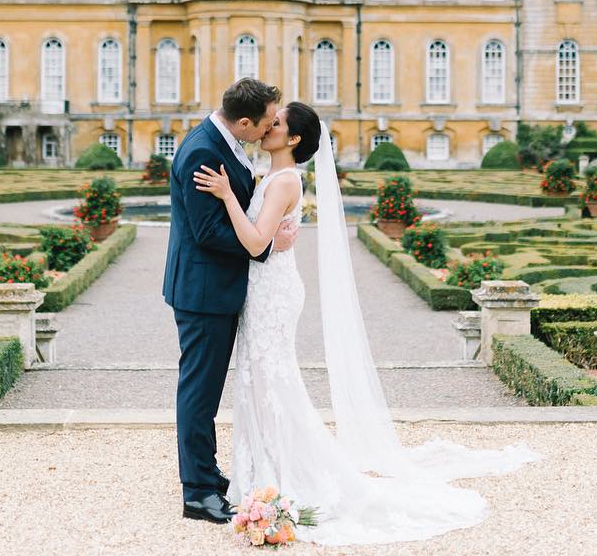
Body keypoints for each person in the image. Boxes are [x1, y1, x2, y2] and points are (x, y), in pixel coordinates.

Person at [194, 102, 539, 546]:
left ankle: (276, 480)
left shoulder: (282, 181)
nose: (266, 127)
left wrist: (225, 196)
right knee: (262, 383)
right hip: (267, 289)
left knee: (269, 383)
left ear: (294, 139)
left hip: (271, 296)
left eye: (275, 124)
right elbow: (264, 237)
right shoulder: (276, 177)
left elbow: (257, 240)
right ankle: (265, 474)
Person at [163, 78, 299, 523]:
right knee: (200, 394)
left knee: (205, 390)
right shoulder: (205, 150)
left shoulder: (225, 140)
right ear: (244, 121)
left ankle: (207, 474)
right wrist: (263, 244)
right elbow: (206, 232)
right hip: (203, 293)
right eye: (264, 124)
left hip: (216, 289)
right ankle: (198, 492)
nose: (267, 131)